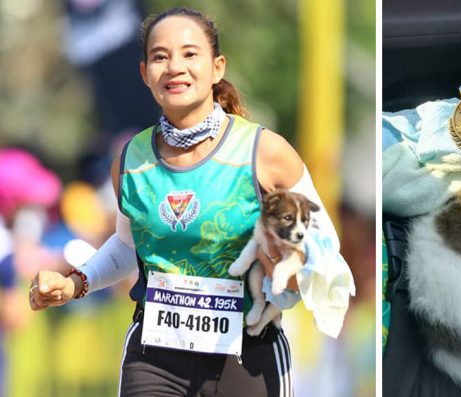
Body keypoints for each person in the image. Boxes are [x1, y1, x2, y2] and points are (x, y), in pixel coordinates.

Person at [28, 7, 345, 396]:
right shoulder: (130, 160)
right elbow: (129, 247)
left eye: (190, 54)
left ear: (217, 68)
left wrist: (288, 266)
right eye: (160, 56)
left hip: (249, 358)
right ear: (145, 74)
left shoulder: (266, 152)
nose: (175, 66)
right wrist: (75, 282)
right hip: (154, 359)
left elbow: (325, 248)